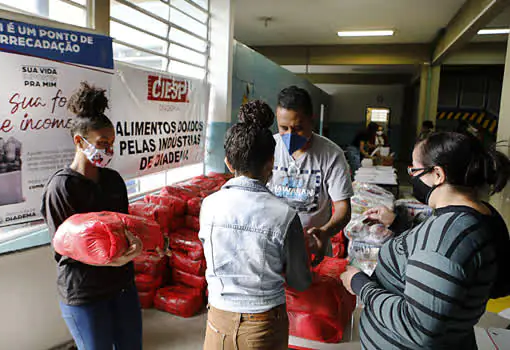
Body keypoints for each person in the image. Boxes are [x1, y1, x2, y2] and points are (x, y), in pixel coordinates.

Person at [341, 132, 510, 350]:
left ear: (438, 175)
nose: (412, 177)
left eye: (414, 170)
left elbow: (418, 328)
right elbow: (440, 258)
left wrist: (361, 285)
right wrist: (397, 224)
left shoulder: (448, 235)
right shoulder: (482, 215)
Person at [200, 100, 312, 350]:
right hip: (263, 325)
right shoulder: (284, 215)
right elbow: (300, 282)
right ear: (271, 163)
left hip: (217, 320)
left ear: (228, 162)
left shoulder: (208, 205)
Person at [41, 82, 143, 350]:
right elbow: (64, 247)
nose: (109, 149)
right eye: (102, 143)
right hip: (85, 293)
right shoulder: (61, 187)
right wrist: (109, 260)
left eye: (112, 143)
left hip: (122, 286)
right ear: (79, 141)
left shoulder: (113, 180)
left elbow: (123, 225)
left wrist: (136, 243)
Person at [268, 86, 353, 261]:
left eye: (298, 128)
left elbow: (343, 208)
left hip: (313, 248)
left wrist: (325, 231)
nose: (290, 136)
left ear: (311, 121)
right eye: (283, 128)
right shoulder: (268, 148)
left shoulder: (331, 155)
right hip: (272, 247)